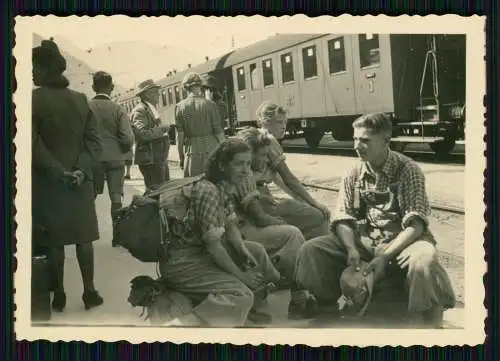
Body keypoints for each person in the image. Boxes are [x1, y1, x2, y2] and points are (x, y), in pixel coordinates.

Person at [295, 113, 456, 327]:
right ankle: (331, 304)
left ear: (386, 141)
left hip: (404, 242)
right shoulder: (353, 173)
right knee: (311, 250)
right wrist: (351, 248)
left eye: (365, 140)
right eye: (355, 139)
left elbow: (416, 225)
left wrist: (386, 255)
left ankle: (427, 317)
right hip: (364, 240)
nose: (357, 146)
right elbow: (343, 217)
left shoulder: (408, 170)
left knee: (424, 259)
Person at [158, 138, 281, 327]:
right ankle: (183, 325)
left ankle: (247, 312)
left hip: (198, 254)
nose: (246, 170)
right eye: (239, 164)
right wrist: (242, 276)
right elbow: (215, 247)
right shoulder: (208, 191)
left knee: (255, 251)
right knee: (241, 295)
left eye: (248, 163)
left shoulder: (222, 186)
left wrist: (241, 249)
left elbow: (230, 225)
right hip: (183, 264)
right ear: (222, 165)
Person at [32, 39, 103, 312]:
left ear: (48, 69)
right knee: (84, 238)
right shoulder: (80, 100)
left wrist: (58, 172)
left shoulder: (33, 101)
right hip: (79, 182)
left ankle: (59, 293)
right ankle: (89, 292)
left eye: (35, 67)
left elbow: (32, 144)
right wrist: (81, 172)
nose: (32, 72)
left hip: (50, 183)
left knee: (54, 241)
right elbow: (93, 143)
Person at [235, 102, 330, 240]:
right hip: (259, 200)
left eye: (285, 122)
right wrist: (314, 203)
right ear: (266, 122)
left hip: (256, 197)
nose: (284, 126)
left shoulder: (254, 136)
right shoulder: (268, 140)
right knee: (319, 216)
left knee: (300, 210)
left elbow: (278, 180)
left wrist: (300, 200)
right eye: (279, 122)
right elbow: (289, 179)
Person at [88, 71, 134, 246]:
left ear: (93, 87)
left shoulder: (86, 106)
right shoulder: (118, 108)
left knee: (90, 197)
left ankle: (88, 236)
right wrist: (121, 150)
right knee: (116, 198)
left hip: (94, 159)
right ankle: (117, 237)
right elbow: (127, 138)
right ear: (112, 87)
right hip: (115, 159)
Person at [175, 72, 225, 177]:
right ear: (200, 86)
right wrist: (225, 151)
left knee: (194, 186)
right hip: (212, 151)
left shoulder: (180, 107)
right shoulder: (210, 105)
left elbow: (179, 137)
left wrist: (181, 157)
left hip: (192, 153)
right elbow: (218, 132)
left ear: (186, 88)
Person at [130, 79, 170, 191]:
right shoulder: (140, 111)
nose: (158, 94)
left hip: (158, 158)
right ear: (147, 95)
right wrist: (161, 129)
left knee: (163, 191)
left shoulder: (150, 108)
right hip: (151, 160)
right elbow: (142, 134)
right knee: (156, 191)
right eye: (155, 92)